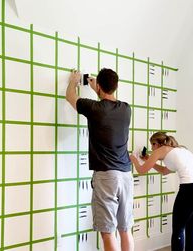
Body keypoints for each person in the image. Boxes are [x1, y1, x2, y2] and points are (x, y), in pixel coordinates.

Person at [66, 68, 134, 251]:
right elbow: (107, 105)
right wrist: (99, 89)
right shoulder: (126, 109)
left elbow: (70, 97)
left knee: (107, 232)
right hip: (126, 175)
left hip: (106, 176)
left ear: (100, 86)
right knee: (125, 229)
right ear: (116, 86)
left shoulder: (94, 108)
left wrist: (73, 80)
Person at [130, 131, 193, 251]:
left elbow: (141, 170)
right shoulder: (181, 150)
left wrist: (134, 160)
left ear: (156, 144)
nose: (152, 149)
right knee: (191, 224)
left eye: (152, 145)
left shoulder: (160, 150)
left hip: (191, 188)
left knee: (178, 228)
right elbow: (164, 171)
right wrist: (150, 160)